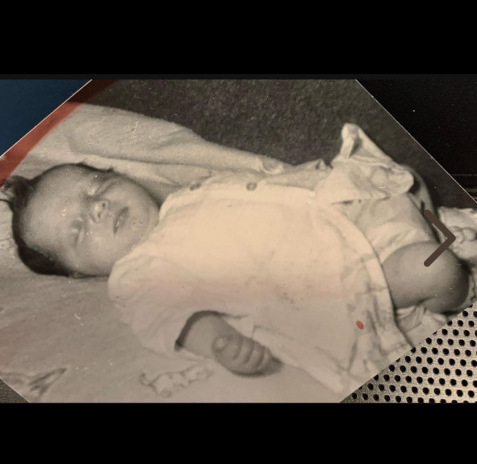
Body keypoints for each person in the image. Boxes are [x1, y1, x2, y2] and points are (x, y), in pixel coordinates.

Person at [2, 123, 476, 394]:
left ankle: (442, 241)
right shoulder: (136, 272)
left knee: (401, 182)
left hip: (339, 221)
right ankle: (455, 293)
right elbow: (167, 314)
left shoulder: (185, 199)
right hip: (339, 282)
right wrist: (217, 340)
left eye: (96, 187)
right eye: (79, 231)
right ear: (79, 273)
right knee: (432, 268)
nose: (98, 208)